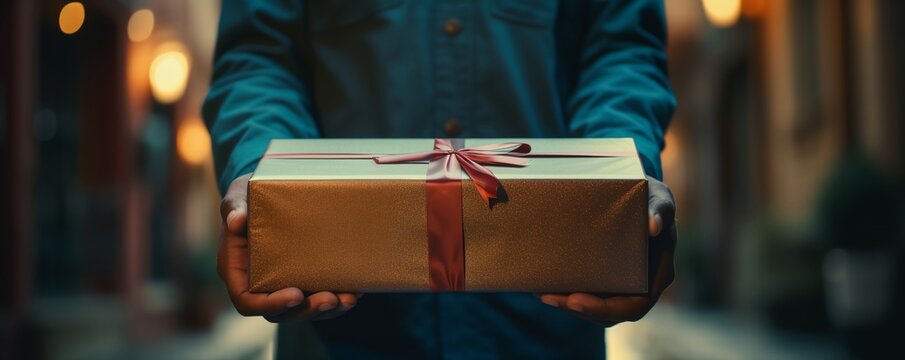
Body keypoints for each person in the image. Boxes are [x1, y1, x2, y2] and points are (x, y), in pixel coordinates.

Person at [203, 0, 677, 358]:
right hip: (341, 323)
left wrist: (623, 187)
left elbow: (621, 51)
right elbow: (261, 59)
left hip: (546, 317)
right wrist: (265, 186)